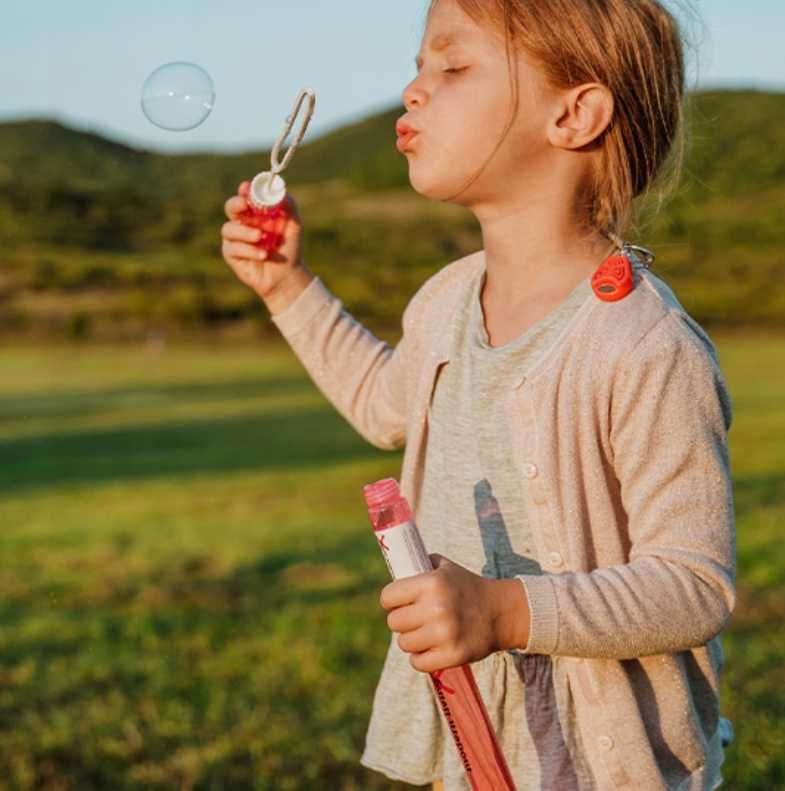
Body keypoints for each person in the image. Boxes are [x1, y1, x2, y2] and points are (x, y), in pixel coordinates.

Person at [220, 0, 737, 787]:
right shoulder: (446, 298)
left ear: (574, 114)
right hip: (466, 731)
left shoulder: (642, 344)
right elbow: (383, 404)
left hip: (597, 756)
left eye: (453, 66)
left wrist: (503, 611)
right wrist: (286, 285)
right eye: (418, 66)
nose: (413, 89)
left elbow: (693, 585)